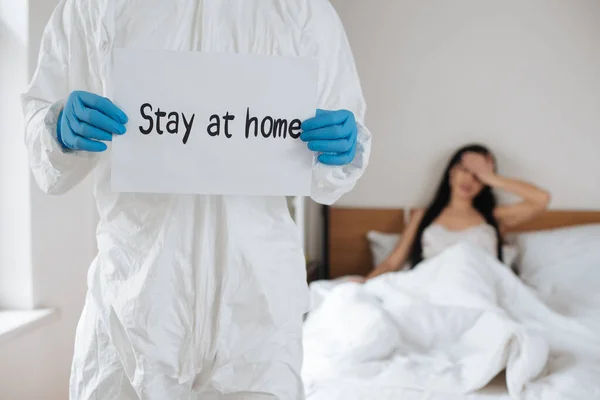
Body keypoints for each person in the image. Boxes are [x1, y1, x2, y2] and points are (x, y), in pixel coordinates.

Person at [21, 1, 371, 399]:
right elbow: (41, 121)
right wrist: (57, 129)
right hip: (135, 302)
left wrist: (347, 147)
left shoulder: (301, 10)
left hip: (257, 315)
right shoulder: (96, 5)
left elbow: (342, 150)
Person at [359, 144, 549, 282]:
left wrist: (493, 177)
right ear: (451, 171)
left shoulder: (494, 218)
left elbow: (541, 199)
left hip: (480, 289)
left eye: (478, 175)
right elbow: (393, 263)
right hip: (431, 289)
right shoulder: (424, 216)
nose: (469, 179)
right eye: (465, 170)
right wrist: (365, 283)